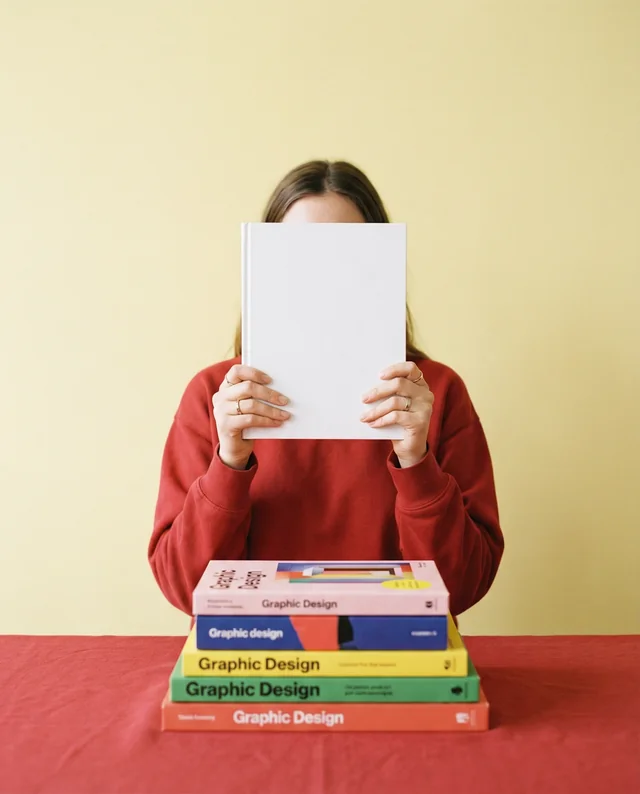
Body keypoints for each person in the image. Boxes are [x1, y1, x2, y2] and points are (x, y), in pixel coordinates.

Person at [148, 160, 504, 618]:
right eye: (298, 255)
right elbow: (185, 587)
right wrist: (229, 463)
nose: (323, 275)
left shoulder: (434, 393)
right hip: (257, 658)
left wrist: (418, 463)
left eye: (347, 253)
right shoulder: (215, 396)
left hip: (397, 657)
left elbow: (462, 586)